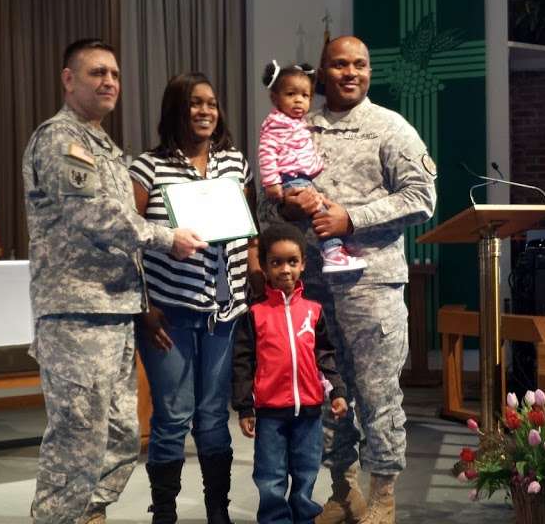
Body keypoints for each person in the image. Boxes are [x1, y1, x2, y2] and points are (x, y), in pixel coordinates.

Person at [22, 39, 206, 524]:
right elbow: (95, 217)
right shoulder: (61, 140)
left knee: (121, 436)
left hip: (117, 308)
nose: (109, 82)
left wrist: (144, 299)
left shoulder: (106, 146)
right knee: (77, 438)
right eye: (97, 73)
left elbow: (121, 225)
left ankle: (91, 514)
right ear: (68, 79)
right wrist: (167, 238)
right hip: (76, 313)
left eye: (115, 75)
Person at [259, 36, 437, 524]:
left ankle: (383, 496)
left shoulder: (389, 128)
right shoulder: (297, 125)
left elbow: (422, 197)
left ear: (369, 71)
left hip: (371, 286)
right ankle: (342, 490)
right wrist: (281, 205)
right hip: (310, 289)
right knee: (326, 394)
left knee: (378, 395)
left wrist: (351, 219)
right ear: (322, 72)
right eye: (339, 64)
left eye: (360, 63)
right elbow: (265, 199)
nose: (350, 72)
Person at [128, 72, 257, 524]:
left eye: (211, 104)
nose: (205, 112)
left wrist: (252, 285)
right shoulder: (147, 167)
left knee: (211, 418)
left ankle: (217, 511)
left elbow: (246, 231)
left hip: (224, 313)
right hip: (170, 316)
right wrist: (144, 307)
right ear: (175, 111)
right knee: (172, 417)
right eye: (194, 104)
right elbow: (130, 240)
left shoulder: (235, 163)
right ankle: (164, 512)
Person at [232, 222, 348, 524]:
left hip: (309, 411)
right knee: (270, 475)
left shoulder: (313, 310)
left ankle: (304, 517)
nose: (285, 269)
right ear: (264, 267)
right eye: (276, 262)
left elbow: (325, 355)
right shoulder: (255, 314)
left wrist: (337, 390)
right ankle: (274, 519)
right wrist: (245, 405)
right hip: (270, 412)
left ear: (303, 264)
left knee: (307, 470)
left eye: (292, 262)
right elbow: (243, 363)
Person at [257, 60, 366, 273]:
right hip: (293, 179)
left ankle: (334, 253)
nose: (299, 101)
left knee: (320, 212)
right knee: (323, 214)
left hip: (300, 178)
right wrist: (272, 184)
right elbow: (266, 153)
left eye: (305, 96)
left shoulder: (297, 122)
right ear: (274, 98)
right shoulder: (276, 124)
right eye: (291, 95)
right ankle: (333, 253)